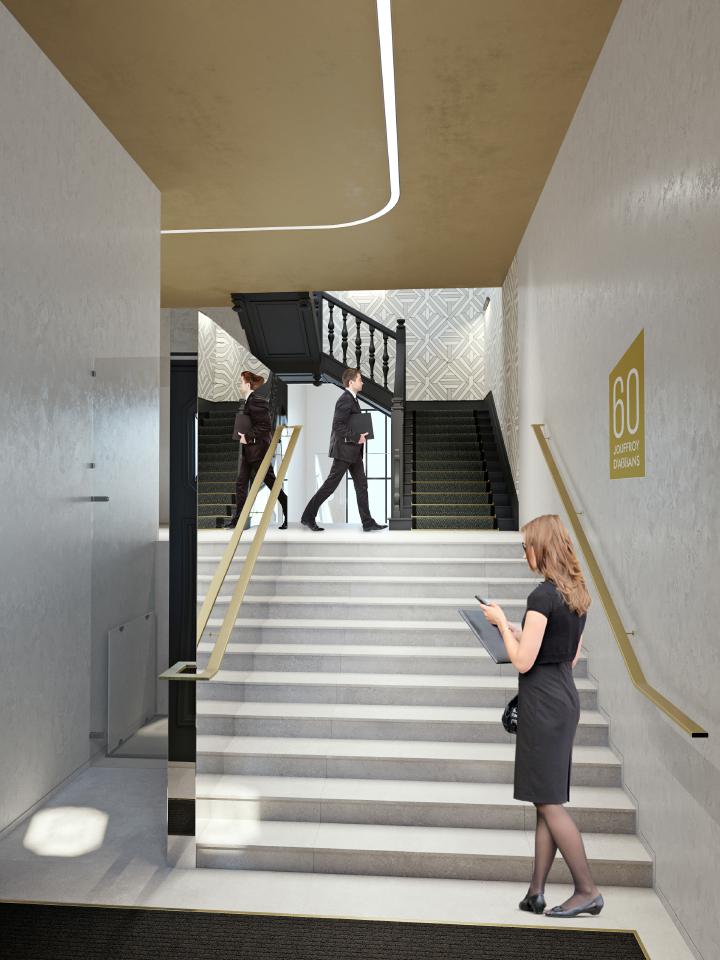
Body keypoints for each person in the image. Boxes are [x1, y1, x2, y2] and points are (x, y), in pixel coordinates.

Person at [480, 514, 603, 919]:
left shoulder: (541, 597)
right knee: (545, 797)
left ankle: (587, 890)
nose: (524, 553)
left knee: (549, 801)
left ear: (541, 548)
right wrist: (519, 631)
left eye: (526, 546)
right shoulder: (576, 594)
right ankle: (535, 892)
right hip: (563, 697)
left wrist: (501, 625)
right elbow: (570, 655)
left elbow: (522, 661)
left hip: (543, 704)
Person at [300, 368, 387, 533]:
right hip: (344, 452)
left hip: (353, 452)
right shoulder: (345, 399)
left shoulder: (353, 399)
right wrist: (356, 437)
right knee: (330, 486)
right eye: (360, 379)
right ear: (351, 382)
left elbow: (350, 423)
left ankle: (367, 522)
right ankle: (308, 516)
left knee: (361, 486)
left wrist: (359, 436)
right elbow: (337, 425)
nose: (362, 382)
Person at [223, 370, 288, 530]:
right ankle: (238, 520)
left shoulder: (257, 402)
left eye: (241, 382)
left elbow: (265, 426)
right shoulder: (247, 402)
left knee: (271, 484)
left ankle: (288, 511)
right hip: (248, 451)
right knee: (241, 484)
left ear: (247, 384)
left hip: (258, 452)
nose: (239, 385)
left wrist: (248, 436)